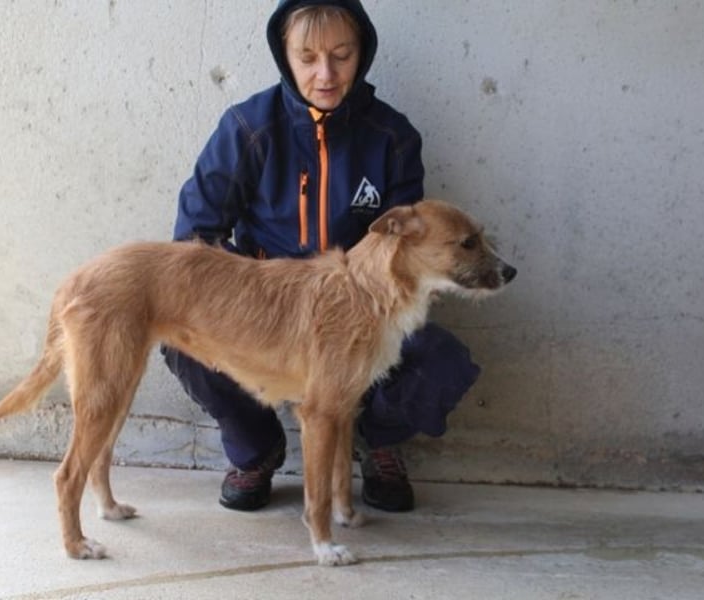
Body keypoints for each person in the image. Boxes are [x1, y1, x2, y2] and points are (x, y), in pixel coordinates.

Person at [163, 0, 481, 514]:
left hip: (364, 313)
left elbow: (414, 252)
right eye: (307, 57)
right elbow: (193, 241)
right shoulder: (247, 128)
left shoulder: (393, 137)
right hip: (266, 310)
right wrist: (256, 293)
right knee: (184, 343)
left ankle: (372, 438)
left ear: (363, 54)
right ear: (284, 55)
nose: (325, 74)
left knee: (441, 361)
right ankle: (256, 452)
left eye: (341, 55)